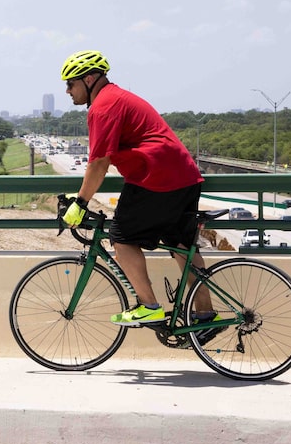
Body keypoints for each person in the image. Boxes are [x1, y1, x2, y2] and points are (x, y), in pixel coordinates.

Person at [58, 50, 215, 326]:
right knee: (181, 246)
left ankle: (149, 305)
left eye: (71, 83)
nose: (68, 90)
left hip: (155, 178)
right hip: (183, 176)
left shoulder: (104, 105)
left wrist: (81, 203)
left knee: (121, 237)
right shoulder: (117, 97)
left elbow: (98, 164)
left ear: (90, 78)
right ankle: (204, 315)